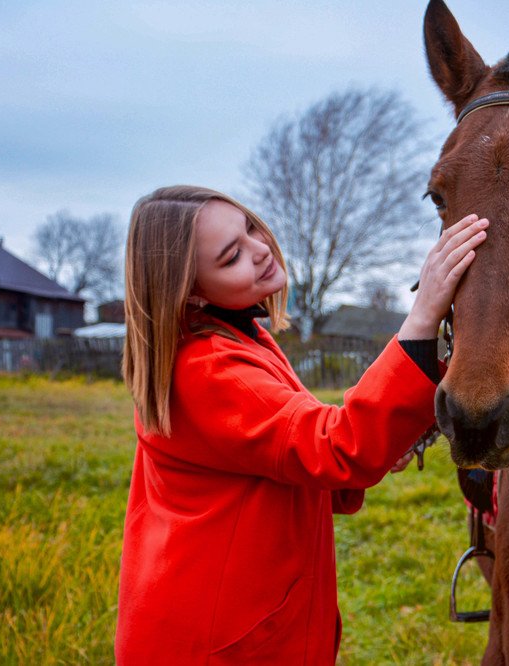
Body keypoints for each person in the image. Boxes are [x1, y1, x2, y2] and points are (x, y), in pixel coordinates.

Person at [114, 185, 487, 664]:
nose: (260, 249)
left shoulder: (239, 341)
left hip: (216, 621)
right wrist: (422, 315)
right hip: (217, 641)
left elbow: (287, 454)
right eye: (231, 257)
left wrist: (376, 445)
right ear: (191, 295)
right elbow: (335, 446)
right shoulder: (208, 368)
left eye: (249, 227)